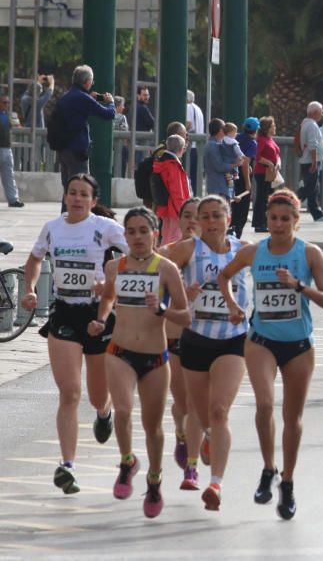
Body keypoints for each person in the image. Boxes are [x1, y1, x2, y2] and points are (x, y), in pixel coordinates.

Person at [219, 189, 323, 520]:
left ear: (296, 222)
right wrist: (233, 306)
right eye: (273, 218)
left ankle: (287, 481)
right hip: (261, 340)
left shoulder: (309, 253)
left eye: (286, 219)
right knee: (264, 404)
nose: (279, 224)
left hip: (299, 344)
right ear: (266, 219)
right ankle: (269, 468)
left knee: (291, 418)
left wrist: (299, 286)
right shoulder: (254, 252)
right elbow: (224, 276)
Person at [22, 174, 127, 494]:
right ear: (65, 197)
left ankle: (104, 412)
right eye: (73, 193)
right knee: (69, 393)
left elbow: (141, 253)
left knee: (97, 395)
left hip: (98, 314)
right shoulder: (52, 228)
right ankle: (67, 465)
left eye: (84, 195)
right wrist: (29, 289)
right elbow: (34, 259)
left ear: (94, 201)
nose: (78, 199)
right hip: (65, 312)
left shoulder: (105, 228)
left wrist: (111, 281)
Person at [90, 206, 191, 518]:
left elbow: (185, 315)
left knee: (152, 426)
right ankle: (127, 461)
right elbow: (108, 298)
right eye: (130, 231)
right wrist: (101, 319)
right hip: (119, 351)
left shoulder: (167, 269)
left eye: (143, 231)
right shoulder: (114, 267)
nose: (136, 237)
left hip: (155, 357)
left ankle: (155, 478)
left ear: (155, 234)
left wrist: (162, 309)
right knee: (122, 410)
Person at [163, 195, 248, 511]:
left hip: (232, 339)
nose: (212, 222)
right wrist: (180, 295)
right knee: (195, 410)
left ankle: (216, 484)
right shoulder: (189, 249)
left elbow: (273, 261)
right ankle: (192, 466)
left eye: (218, 216)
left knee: (219, 409)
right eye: (206, 217)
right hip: (196, 338)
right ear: (198, 221)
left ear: (228, 218)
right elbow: (151, 262)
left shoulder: (244, 249)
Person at [158, 198, 202, 484]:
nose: (191, 222)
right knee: (183, 401)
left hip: (206, 335)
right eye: (187, 216)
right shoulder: (166, 254)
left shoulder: (221, 253)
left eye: (198, 217)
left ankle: (198, 447)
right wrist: (180, 292)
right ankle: (182, 432)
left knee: (203, 403)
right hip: (175, 334)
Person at [52, 65, 117, 192]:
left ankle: (66, 212)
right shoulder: (83, 98)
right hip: (77, 150)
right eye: (92, 81)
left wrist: (90, 99)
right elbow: (109, 114)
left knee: (68, 190)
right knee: (81, 189)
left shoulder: (65, 97)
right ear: (87, 82)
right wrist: (111, 102)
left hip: (63, 150)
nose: (92, 84)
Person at [153, 135, 192, 245]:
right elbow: (177, 191)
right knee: (176, 237)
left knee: (166, 235)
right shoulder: (173, 165)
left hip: (164, 206)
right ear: (181, 149)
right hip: (175, 208)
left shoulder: (160, 162)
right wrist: (183, 210)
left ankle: (163, 257)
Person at [0, 93, 25, 207]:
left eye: (8, 103)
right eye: (4, 102)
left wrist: (16, 124)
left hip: (6, 148)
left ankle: (13, 199)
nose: (6, 105)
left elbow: (13, 127)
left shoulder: (8, 114)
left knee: (9, 174)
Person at [299, 101, 323, 221]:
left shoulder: (307, 123)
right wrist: (314, 162)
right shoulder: (311, 125)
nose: (322, 114)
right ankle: (288, 201)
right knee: (310, 188)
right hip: (310, 161)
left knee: (313, 187)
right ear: (315, 112)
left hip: (309, 161)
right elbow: (312, 144)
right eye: (321, 112)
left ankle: (317, 214)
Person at [252, 117, 281, 233]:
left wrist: (278, 163)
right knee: (262, 198)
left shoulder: (271, 139)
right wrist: (269, 163)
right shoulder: (261, 140)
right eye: (273, 126)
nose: (275, 128)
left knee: (269, 198)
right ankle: (259, 223)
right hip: (262, 172)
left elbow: (277, 154)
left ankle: (265, 222)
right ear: (267, 128)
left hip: (271, 173)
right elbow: (257, 156)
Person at [233, 118, 259, 237]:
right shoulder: (252, 143)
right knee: (242, 211)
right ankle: (237, 235)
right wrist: (248, 184)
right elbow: (245, 163)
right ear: (256, 129)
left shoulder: (237, 137)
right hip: (243, 179)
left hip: (233, 175)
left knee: (234, 207)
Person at [203, 118, 241, 197]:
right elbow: (220, 166)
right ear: (220, 130)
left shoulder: (218, 144)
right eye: (225, 129)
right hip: (217, 188)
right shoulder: (213, 145)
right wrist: (235, 164)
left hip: (222, 187)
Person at [186, 91, 205, 192]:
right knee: (195, 177)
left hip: (190, 147)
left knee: (188, 175)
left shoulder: (188, 107)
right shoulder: (198, 109)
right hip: (198, 147)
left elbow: (188, 124)